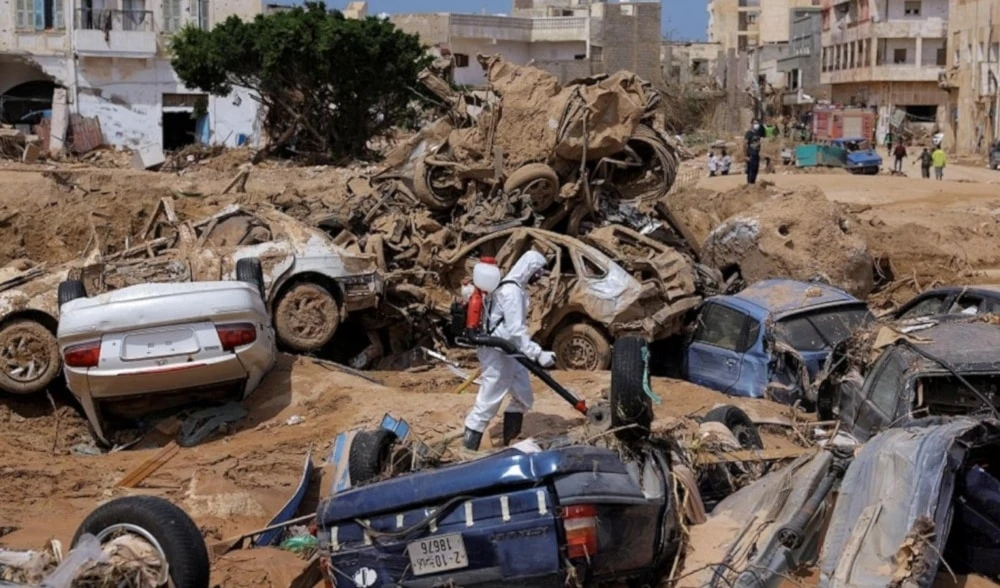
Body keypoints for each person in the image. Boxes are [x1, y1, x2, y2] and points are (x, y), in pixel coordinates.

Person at [463, 250, 556, 451]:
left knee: (523, 396)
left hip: (509, 351)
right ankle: (467, 450)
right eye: (537, 273)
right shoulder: (511, 291)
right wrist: (537, 354)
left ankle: (511, 442)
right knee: (488, 402)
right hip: (498, 352)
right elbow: (516, 330)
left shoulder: (513, 287)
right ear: (529, 269)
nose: (538, 278)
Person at [744, 119, 764, 185]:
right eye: (755, 123)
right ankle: (749, 184)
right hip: (750, 154)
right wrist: (746, 155)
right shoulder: (749, 133)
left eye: (757, 123)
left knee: (756, 170)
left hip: (756, 154)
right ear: (752, 124)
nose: (756, 125)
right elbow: (745, 144)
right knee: (751, 171)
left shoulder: (758, 133)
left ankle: (753, 183)